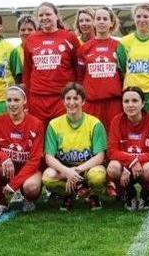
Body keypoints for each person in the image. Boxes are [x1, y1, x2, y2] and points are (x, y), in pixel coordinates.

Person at [0, 85, 45, 218]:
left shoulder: (36, 124)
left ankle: (27, 199)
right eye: (9, 100)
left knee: (31, 187)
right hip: (6, 169)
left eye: (16, 100)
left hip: (28, 170)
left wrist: (14, 184)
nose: (12, 104)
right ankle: (0, 202)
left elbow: (35, 160)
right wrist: (3, 157)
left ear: (24, 101)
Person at [42, 83, 107, 211]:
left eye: (76, 98)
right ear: (63, 101)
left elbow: (100, 156)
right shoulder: (54, 124)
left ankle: (93, 194)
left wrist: (76, 170)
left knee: (97, 177)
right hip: (65, 169)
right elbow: (49, 157)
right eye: (68, 98)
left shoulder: (95, 123)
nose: (72, 102)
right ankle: (69, 194)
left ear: (83, 101)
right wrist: (67, 171)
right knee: (48, 177)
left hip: (88, 168)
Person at [22, 2, 81, 126]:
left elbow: (78, 69)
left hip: (62, 97)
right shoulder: (31, 39)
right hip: (37, 99)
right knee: (39, 136)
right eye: (41, 15)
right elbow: (27, 71)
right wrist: (27, 99)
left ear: (56, 16)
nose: (44, 18)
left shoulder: (69, 37)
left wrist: (75, 94)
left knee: (61, 134)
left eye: (48, 14)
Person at [106, 87, 149, 210]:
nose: (130, 105)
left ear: (143, 103)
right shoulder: (117, 121)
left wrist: (134, 162)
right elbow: (112, 151)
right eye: (126, 101)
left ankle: (145, 192)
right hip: (128, 166)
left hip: (146, 167)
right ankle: (129, 192)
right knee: (112, 167)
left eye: (134, 101)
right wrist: (131, 163)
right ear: (122, 104)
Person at [77, 6, 123, 132]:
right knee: (92, 136)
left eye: (105, 19)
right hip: (92, 102)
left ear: (111, 23)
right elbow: (80, 77)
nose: (101, 22)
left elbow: (124, 74)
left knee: (114, 136)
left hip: (114, 103)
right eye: (98, 19)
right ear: (94, 22)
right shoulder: (84, 48)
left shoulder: (119, 46)